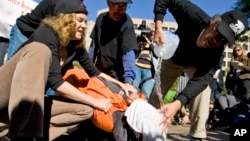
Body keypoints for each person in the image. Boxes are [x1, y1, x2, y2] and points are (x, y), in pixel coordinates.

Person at [0, 1, 137, 140]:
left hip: (27, 107)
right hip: (6, 93)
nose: (84, 25)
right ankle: (25, 135)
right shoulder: (46, 33)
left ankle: (19, 131)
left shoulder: (75, 46)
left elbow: (95, 72)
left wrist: (123, 85)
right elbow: (56, 82)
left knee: (85, 110)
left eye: (85, 21)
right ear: (66, 20)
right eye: (79, 21)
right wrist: (95, 101)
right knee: (40, 50)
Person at [149, 0, 248, 140]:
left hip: (196, 66)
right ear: (214, 22)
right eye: (218, 33)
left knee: (203, 91)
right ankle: (145, 127)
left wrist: (178, 104)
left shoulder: (216, 56)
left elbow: (200, 81)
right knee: (157, 92)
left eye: (223, 40)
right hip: (175, 57)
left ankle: (197, 134)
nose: (217, 41)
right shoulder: (193, 16)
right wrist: (158, 27)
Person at [88, 0, 138, 92]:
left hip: (118, 77)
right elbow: (93, 48)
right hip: (100, 72)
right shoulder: (100, 19)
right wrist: (88, 69)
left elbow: (129, 53)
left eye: (124, 6)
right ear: (108, 3)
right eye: (117, 5)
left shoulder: (127, 23)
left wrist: (128, 81)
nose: (120, 10)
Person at [7, 0, 81, 59]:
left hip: (37, 36)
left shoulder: (73, 7)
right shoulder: (59, 4)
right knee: (12, 66)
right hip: (24, 31)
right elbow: (56, 30)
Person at [133, 29, 157, 100]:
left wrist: (149, 43)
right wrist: (139, 45)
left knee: (146, 93)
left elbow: (157, 53)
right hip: (137, 67)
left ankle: (143, 109)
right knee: (134, 90)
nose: (151, 34)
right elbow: (135, 53)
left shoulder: (156, 43)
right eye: (150, 32)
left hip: (149, 70)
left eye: (153, 32)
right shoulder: (142, 41)